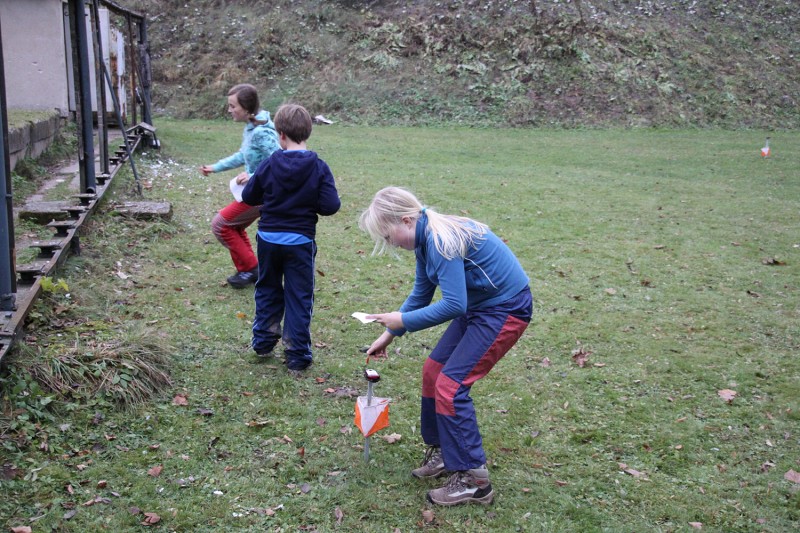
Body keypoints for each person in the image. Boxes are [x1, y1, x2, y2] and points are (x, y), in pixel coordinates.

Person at [359, 186, 532, 507]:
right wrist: (389, 333)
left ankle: (474, 481)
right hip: (479, 307)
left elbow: (454, 304)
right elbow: (421, 295)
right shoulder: (425, 240)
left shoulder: (441, 241)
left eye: (388, 235)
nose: (391, 243)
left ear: (407, 220)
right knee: (433, 372)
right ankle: (443, 452)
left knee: (451, 386)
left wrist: (403, 320)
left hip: (504, 309)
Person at [241, 104, 340, 371]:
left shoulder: (270, 163)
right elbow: (331, 205)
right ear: (307, 133)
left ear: (280, 134)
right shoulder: (318, 167)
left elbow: (249, 196)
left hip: (269, 239)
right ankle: (297, 354)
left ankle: (263, 340)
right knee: (299, 295)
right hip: (300, 242)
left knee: (267, 287)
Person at [200, 84, 280, 288]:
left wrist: (253, 175)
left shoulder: (262, 132)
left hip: (263, 193)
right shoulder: (252, 128)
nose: (229, 110)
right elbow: (242, 155)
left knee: (221, 224)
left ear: (246, 108)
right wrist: (215, 167)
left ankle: (251, 270)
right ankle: (250, 269)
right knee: (232, 226)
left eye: (232, 106)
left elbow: (280, 161)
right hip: (254, 191)